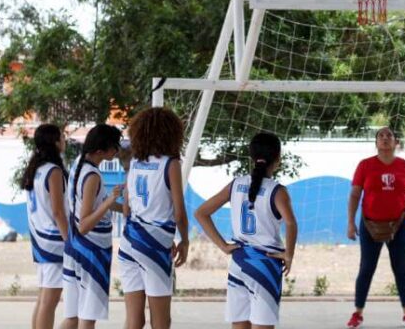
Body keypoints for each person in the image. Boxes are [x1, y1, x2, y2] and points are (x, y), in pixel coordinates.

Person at [195, 132, 298, 329]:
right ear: (278, 158)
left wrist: (223, 246)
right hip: (264, 265)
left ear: (251, 156)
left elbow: (201, 213)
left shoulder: (236, 184)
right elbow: (291, 223)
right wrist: (289, 254)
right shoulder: (277, 191)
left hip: (239, 263)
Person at [118, 107, 189, 329]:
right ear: (171, 133)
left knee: (134, 320)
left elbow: (127, 209)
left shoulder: (135, 163)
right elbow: (179, 211)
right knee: (161, 321)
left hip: (129, 242)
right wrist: (185, 240)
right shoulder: (170, 164)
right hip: (154, 245)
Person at [346, 127, 405, 328]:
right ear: (376, 143)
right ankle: (357, 313)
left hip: (399, 224)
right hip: (370, 224)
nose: (385, 138)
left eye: (389, 136)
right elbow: (355, 194)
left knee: (400, 269)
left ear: (396, 142)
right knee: (366, 268)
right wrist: (350, 222)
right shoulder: (365, 165)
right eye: (381, 136)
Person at [63, 124, 123, 329]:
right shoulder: (92, 176)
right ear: (100, 151)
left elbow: (96, 204)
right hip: (90, 252)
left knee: (72, 318)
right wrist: (110, 200)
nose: (117, 151)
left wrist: (125, 209)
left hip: (75, 248)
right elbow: (85, 223)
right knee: (87, 318)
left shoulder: (79, 164)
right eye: (115, 146)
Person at [22, 124, 68, 329]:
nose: (64, 140)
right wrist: (70, 241)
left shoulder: (36, 169)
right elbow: (58, 212)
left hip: (40, 240)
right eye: (62, 137)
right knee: (49, 301)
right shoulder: (54, 171)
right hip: (53, 241)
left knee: (43, 299)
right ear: (54, 142)